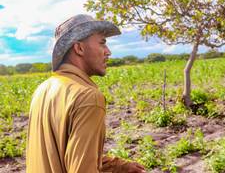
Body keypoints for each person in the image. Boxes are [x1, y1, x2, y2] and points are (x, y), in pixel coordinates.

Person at [26, 14, 146, 173]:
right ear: (79, 48)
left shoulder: (42, 89)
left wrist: (118, 166)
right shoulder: (87, 97)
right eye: (102, 43)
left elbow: (64, 155)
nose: (108, 52)